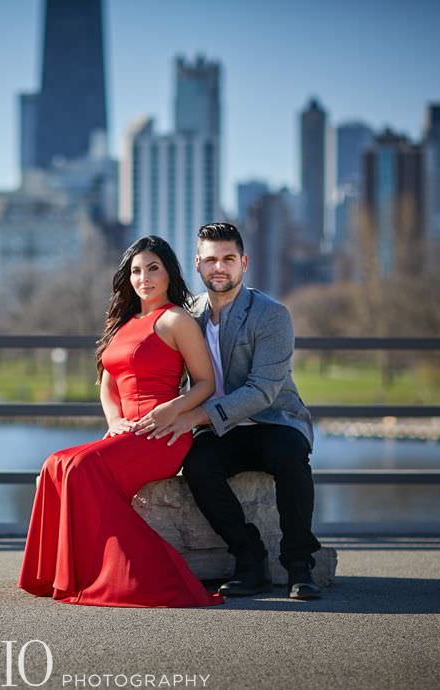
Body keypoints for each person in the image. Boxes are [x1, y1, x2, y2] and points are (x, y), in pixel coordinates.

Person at [18, 235, 222, 607]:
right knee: (54, 464)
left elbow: (206, 383)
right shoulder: (124, 324)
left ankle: (136, 575)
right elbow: (108, 385)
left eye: (153, 268)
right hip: (125, 434)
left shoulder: (176, 319)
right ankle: (56, 575)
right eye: (136, 271)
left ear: (169, 273)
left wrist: (172, 409)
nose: (144, 277)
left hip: (162, 435)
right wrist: (113, 421)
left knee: (80, 467)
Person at [135, 222, 322, 600]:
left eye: (228, 259)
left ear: (244, 262)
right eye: (210, 260)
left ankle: (300, 566)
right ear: (197, 265)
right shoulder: (188, 316)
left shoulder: (271, 315)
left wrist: (193, 418)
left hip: (272, 421)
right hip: (221, 432)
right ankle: (250, 561)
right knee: (200, 465)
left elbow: (262, 391)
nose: (219, 267)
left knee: (291, 455)